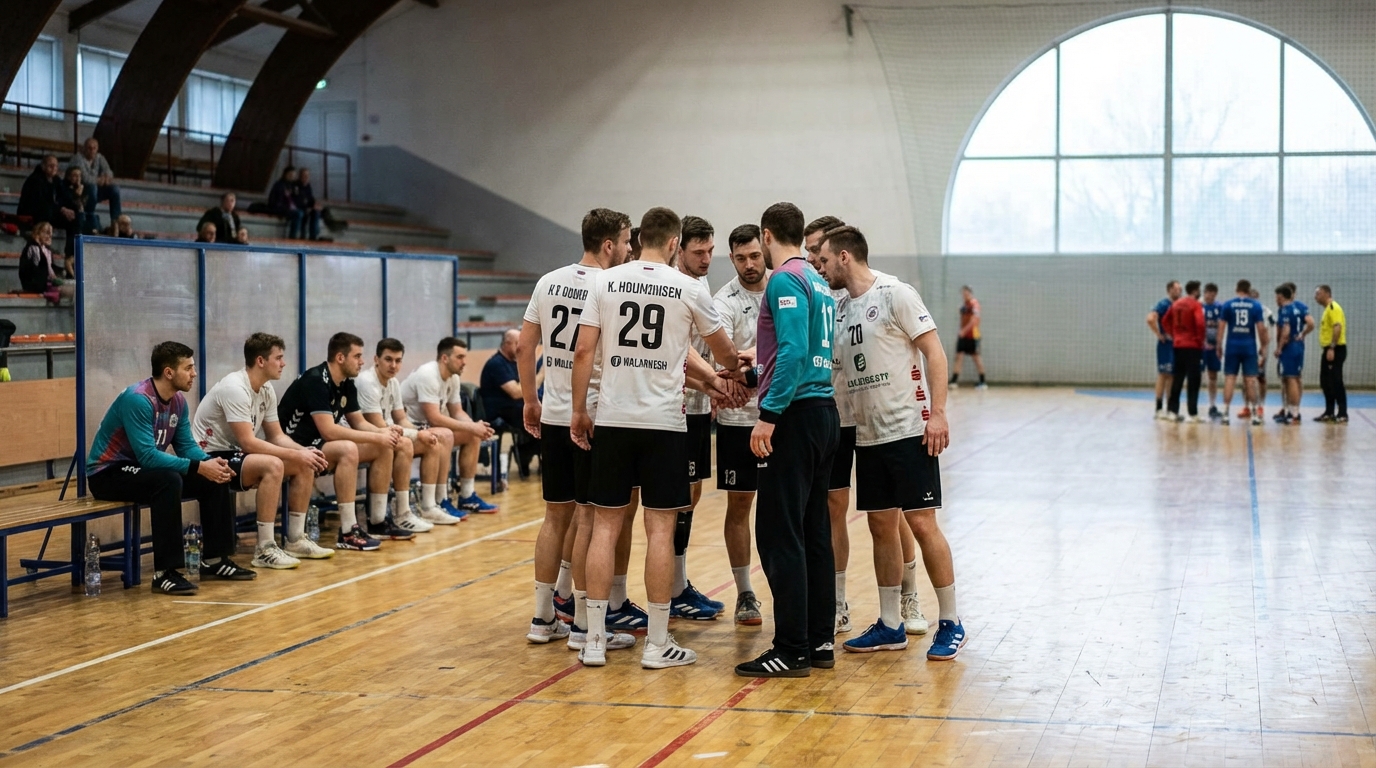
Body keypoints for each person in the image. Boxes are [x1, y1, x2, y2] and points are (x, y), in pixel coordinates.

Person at [570, 206, 741, 669]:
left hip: (612, 418)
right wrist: (733, 369)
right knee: (659, 530)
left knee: (605, 526)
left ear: (640, 237)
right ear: (673, 244)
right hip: (663, 424)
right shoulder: (688, 288)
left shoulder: (603, 282)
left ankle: (593, 640)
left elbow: (584, 348)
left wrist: (578, 410)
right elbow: (721, 350)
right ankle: (658, 643)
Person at [818, 225, 965, 662]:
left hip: (908, 429)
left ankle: (952, 621)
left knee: (921, 524)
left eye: (824, 260)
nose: (820, 269)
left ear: (845, 257)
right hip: (868, 434)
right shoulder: (840, 309)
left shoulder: (896, 293)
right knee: (881, 524)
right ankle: (889, 624)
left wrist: (937, 413)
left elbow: (935, 353)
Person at [518, 207, 644, 646]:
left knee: (555, 516)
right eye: (627, 241)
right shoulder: (611, 285)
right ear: (609, 244)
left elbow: (524, 346)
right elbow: (592, 353)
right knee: (589, 517)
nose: (631, 249)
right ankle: (585, 628)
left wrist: (531, 401)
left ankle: (541, 618)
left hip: (551, 413)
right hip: (590, 415)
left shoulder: (547, 281)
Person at [729, 203, 838, 678]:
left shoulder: (783, 279)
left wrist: (768, 415)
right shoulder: (819, 280)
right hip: (822, 413)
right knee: (814, 533)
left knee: (778, 534)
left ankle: (790, 648)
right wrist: (757, 373)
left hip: (793, 417)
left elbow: (792, 350)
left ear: (767, 234)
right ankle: (818, 642)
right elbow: (801, 351)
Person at [87, 342, 254, 594]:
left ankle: (215, 560)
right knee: (168, 481)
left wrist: (210, 463)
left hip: (141, 469)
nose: (194, 374)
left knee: (215, 476)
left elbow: (186, 446)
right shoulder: (139, 399)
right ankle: (165, 572)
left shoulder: (177, 401)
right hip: (108, 472)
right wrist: (198, 466)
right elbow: (148, 458)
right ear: (168, 372)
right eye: (188, 368)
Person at [192, 333, 336, 569]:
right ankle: (265, 549)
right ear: (260, 361)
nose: (284, 363)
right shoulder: (235, 388)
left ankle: (296, 539)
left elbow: (277, 436)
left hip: (235, 454)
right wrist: (298, 453)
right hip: (210, 457)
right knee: (273, 464)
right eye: (278, 358)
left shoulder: (266, 389)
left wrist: (304, 452)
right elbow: (248, 443)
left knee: (304, 463)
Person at [277, 332, 409, 551]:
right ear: (340, 358)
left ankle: (378, 522)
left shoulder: (347, 383)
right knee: (348, 449)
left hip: (316, 445)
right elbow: (329, 431)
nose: (362, 361)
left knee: (384, 446)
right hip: (292, 445)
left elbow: (358, 422)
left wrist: (384, 432)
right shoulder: (316, 380)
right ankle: (348, 530)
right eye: (357, 356)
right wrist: (378, 434)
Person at [803, 215, 859, 636]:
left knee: (891, 516)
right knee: (831, 508)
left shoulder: (876, 291)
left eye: (818, 252)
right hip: (832, 414)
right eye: (807, 253)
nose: (813, 260)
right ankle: (837, 601)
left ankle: (908, 592)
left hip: (874, 417)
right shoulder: (814, 293)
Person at [668, 215, 725, 622]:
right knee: (673, 500)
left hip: (700, 404)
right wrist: (717, 382)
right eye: (698, 252)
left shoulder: (701, 283)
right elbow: (679, 352)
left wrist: (713, 387)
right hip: (675, 407)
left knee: (691, 494)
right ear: (678, 248)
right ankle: (670, 589)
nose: (707, 258)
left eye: (710, 251)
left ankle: (679, 582)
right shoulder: (674, 286)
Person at [713, 223, 770, 627]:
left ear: (764, 250)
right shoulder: (724, 300)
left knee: (783, 506)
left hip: (776, 417)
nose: (749, 264)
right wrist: (739, 372)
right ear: (731, 258)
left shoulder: (783, 288)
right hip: (736, 420)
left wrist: (751, 374)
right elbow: (724, 362)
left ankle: (785, 585)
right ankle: (744, 593)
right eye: (740, 258)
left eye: (754, 255)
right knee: (739, 505)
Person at [356, 337, 463, 528]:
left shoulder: (393, 383)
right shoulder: (367, 382)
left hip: (390, 433)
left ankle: (429, 507)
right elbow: (378, 425)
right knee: (404, 444)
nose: (393, 365)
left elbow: (401, 419)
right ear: (376, 359)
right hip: (366, 436)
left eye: (398, 360)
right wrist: (415, 435)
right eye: (388, 359)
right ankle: (401, 513)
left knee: (433, 441)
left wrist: (421, 433)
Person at [400, 337, 499, 514]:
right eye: (460, 357)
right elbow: (435, 418)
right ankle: (440, 499)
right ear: (445, 358)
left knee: (472, 435)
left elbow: (457, 412)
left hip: (428, 428)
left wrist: (476, 427)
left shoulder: (453, 378)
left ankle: (467, 496)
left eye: (465, 357)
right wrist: (471, 427)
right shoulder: (428, 374)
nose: (464, 362)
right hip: (409, 429)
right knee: (446, 435)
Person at [480, 328, 539, 477]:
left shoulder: (514, 362)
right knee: (541, 416)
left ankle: (526, 450)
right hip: (499, 413)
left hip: (515, 410)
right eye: (517, 343)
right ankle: (525, 451)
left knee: (549, 415)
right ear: (506, 344)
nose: (520, 347)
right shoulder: (496, 364)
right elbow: (516, 392)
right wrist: (541, 375)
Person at [1216, 280, 1269, 426]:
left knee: (1230, 379)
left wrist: (1218, 346)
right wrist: (1264, 346)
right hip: (1249, 347)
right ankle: (1254, 414)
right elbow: (1261, 328)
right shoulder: (1255, 305)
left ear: (1236, 289)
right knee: (1251, 380)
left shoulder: (1228, 304)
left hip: (1232, 346)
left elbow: (1221, 327)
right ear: (1248, 289)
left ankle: (1225, 413)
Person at [18, 155, 80, 260]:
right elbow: (40, 202)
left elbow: (65, 197)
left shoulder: (56, 180)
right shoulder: (35, 179)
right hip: (33, 213)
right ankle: (44, 249)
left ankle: (70, 255)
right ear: (43, 166)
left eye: (56, 166)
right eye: (50, 166)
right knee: (47, 211)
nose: (54, 168)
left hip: (50, 212)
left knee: (75, 218)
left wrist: (74, 205)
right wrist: (61, 209)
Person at [1163, 281, 1205, 422]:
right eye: (1199, 290)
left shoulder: (1176, 304)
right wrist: (1200, 340)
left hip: (1178, 345)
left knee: (1178, 378)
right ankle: (1192, 414)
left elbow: (1165, 320)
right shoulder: (1195, 304)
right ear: (1195, 291)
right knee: (1194, 380)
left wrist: (1174, 334)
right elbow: (1199, 323)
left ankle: (1172, 412)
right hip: (1193, 346)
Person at [1273, 284, 1313, 424]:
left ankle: (1294, 414)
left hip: (1289, 346)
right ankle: (1291, 411)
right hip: (1299, 345)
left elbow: (1286, 330)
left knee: (1291, 379)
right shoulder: (1300, 307)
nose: (1276, 300)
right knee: (1293, 378)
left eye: (1277, 297)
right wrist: (1302, 334)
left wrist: (1279, 348)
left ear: (1282, 296)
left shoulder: (1285, 310)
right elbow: (1311, 323)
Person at [1240, 288, 1277, 420]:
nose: (1253, 300)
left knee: (1261, 379)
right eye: (1250, 298)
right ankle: (1247, 406)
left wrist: (1265, 346)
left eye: (1255, 298)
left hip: (1260, 349)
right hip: (1246, 349)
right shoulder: (1243, 310)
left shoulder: (1266, 312)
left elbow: (1271, 330)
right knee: (1246, 379)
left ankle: (1260, 406)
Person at [1148, 281, 1183, 419]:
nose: (1179, 291)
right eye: (1176, 289)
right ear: (1169, 290)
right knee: (1163, 374)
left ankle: (1170, 409)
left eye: (1180, 289)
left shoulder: (1180, 304)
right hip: (1166, 344)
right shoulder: (1164, 304)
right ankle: (1158, 408)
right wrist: (1158, 334)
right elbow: (1150, 318)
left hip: (1177, 344)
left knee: (1173, 376)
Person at [1314, 284, 1347, 423]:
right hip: (1328, 349)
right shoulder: (1327, 309)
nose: (1316, 296)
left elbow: (1337, 327)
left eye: (1318, 293)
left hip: (1335, 349)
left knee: (1336, 381)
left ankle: (1342, 413)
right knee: (1326, 382)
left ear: (1327, 293)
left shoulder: (1334, 307)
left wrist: (1332, 348)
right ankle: (1329, 412)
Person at [68, 137, 121, 223]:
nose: (92, 150)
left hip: (95, 191)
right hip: (79, 192)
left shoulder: (99, 157)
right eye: (89, 148)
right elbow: (84, 179)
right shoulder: (78, 158)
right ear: (84, 148)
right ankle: (89, 218)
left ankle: (116, 221)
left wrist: (106, 177)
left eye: (94, 148)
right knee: (93, 187)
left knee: (115, 189)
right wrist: (99, 180)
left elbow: (109, 172)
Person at [18, 222, 72, 301]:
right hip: (35, 284)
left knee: (73, 286)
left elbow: (50, 267)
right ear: (37, 233)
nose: (50, 236)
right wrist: (51, 280)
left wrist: (61, 272)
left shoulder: (47, 250)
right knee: (72, 291)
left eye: (51, 233)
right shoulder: (33, 247)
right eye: (46, 233)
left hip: (46, 282)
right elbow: (36, 270)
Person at [949, 286, 986, 389]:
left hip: (972, 335)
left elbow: (974, 320)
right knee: (959, 356)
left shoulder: (974, 304)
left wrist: (964, 330)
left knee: (976, 357)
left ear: (970, 293)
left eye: (966, 293)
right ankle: (954, 381)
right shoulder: (964, 305)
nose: (964, 295)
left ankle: (983, 381)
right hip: (963, 335)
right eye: (963, 294)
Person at [1201, 283, 1224, 418]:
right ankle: (1193, 406)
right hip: (1200, 347)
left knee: (1213, 376)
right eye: (1207, 292)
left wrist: (1218, 345)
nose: (1209, 295)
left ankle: (1212, 405)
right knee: (1196, 375)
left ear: (1215, 294)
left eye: (1212, 292)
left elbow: (1222, 326)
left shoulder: (1220, 307)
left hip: (1214, 347)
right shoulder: (1199, 307)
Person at [58, 166, 98, 237]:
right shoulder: (63, 187)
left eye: (79, 175)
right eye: (75, 176)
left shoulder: (83, 188)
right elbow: (67, 203)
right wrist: (76, 195)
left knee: (94, 218)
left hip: (80, 214)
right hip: (66, 214)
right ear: (68, 177)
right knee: (79, 218)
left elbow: (83, 207)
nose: (78, 178)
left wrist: (79, 196)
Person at [268, 166, 304, 239]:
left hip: (290, 208)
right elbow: (276, 200)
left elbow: (298, 199)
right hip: (280, 207)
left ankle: (303, 236)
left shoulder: (294, 186)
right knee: (298, 213)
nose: (292, 177)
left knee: (304, 212)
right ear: (285, 174)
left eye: (293, 175)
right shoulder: (279, 185)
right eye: (290, 175)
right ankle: (292, 236)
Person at [294, 168, 324, 241]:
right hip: (299, 208)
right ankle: (301, 235)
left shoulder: (308, 186)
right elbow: (296, 200)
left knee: (316, 212)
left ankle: (313, 236)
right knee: (302, 213)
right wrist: (307, 207)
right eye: (304, 175)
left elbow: (310, 199)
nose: (306, 177)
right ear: (300, 176)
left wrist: (315, 205)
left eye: (307, 175)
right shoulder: (296, 186)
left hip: (307, 208)